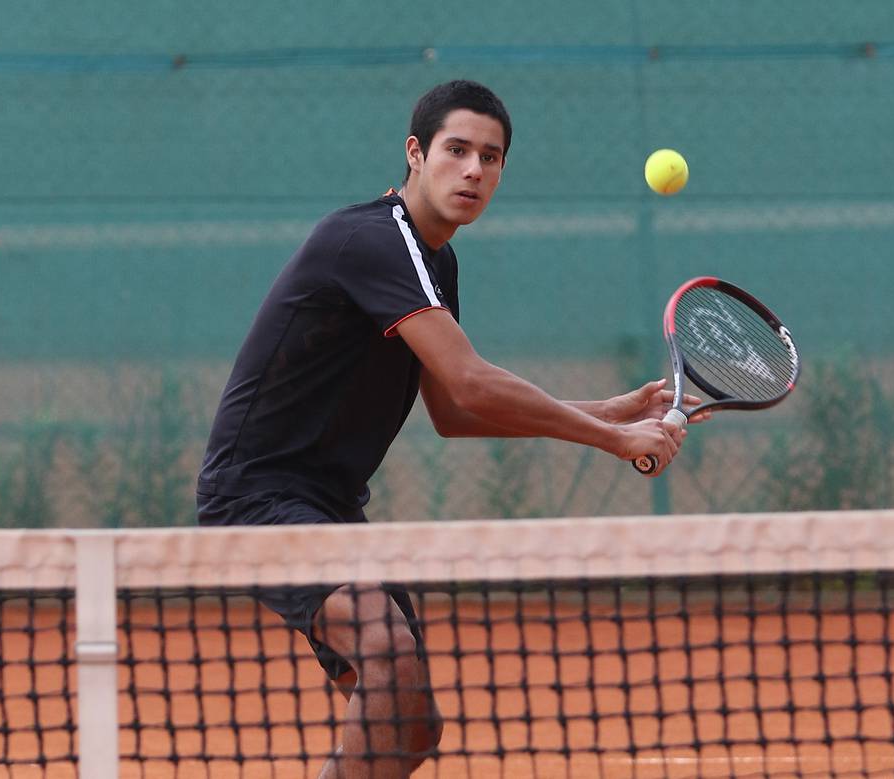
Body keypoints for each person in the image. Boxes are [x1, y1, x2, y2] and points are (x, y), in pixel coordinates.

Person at [197, 79, 701, 778]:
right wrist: (614, 439)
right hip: (255, 500)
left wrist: (609, 410)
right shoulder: (368, 239)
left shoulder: (435, 257)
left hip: (329, 509)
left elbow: (453, 411)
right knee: (388, 652)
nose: (473, 170)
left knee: (411, 722)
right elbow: (469, 381)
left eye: (490, 158)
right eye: (456, 150)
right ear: (415, 152)